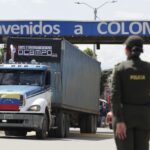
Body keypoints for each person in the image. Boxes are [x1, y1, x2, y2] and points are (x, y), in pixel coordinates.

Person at [111, 35, 150, 150]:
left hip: (124, 118)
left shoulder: (120, 69)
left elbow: (115, 96)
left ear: (126, 50)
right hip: (145, 118)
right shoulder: (148, 68)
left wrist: (119, 121)